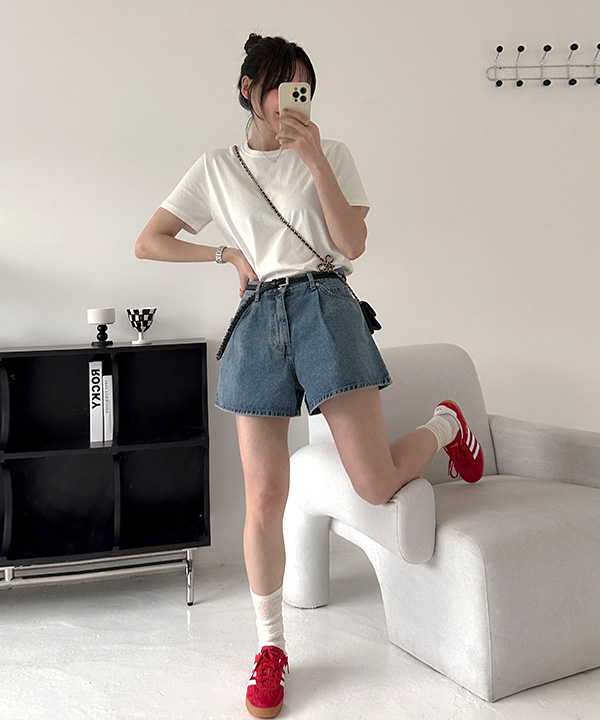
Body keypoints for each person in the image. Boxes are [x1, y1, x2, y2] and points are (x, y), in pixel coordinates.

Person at [135, 32, 484, 719]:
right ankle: (270, 647)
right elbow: (150, 240)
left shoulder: (333, 153)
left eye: (303, 87)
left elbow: (352, 244)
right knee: (265, 495)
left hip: (327, 305)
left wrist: (316, 158)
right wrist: (226, 255)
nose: (292, 99)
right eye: (280, 86)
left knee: (375, 483)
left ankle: (446, 426)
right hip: (259, 317)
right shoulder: (215, 167)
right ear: (249, 90)